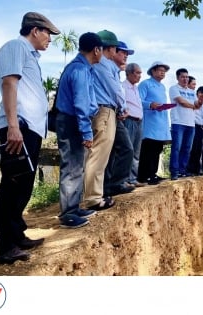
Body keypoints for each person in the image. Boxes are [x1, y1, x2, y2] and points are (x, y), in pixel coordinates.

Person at [0, 12, 60, 264]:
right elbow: (9, 83)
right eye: (47, 34)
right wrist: (12, 125)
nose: (49, 39)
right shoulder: (15, 47)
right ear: (34, 30)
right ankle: (5, 246)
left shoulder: (29, 54)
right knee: (13, 184)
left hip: (29, 128)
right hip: (18, 126)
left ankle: (17, 234)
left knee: (24, 184)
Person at [55, 32, 103, 229]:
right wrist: (86, 132)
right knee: (72, 166)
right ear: (96, 50)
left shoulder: (81, 68)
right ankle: (68, 213)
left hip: (71, 120)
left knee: (77, 165)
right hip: (72, 121)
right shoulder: (80, 70)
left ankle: (73, 207)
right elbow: (81, 104)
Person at [82, 30, 122, 211]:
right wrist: (124, 106)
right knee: (98, 154)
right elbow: (115, 89)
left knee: (98, 155)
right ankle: (93, 198)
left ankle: (94, 194)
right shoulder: (103, 65)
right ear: (110, 48)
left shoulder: (100, 64)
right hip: (104, 110)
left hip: (104, 109)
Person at [103, 40, 135, 196]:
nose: (126, 56)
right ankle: (113, 184)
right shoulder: (106, 68)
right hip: (108, 112)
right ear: (113, 51)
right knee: (121, 149)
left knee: (121, 149)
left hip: (116, 113)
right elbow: (114, 91)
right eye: (123, 52)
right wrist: (123, 108)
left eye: (127, 54)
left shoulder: (115, 71)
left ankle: (113, 183)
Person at [137, 61, 172, 185]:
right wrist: (150, 105)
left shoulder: (162, 87)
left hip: (161, 121)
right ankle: (143, 176)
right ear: (153, 71)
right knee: (148, 149)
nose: (163, 73)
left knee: (157, 149)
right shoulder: (145, 84)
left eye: (164, 71)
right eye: (160, 70)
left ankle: (153, 174)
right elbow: (138, 101)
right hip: (150, 121)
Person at [168, 68, 203, 180]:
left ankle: (182, 170)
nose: (185, 79)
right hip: (178, 122)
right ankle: (174, 171)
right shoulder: (174, 88)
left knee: (187, 148)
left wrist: (201, 101)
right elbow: (181, 102)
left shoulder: (192, 92)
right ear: (178, 77)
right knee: (176, 147)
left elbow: (197, 106)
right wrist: (194, 106)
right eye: (183, 77)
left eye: (187, 77)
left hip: (190, 124)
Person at [122, 62, 144, 187]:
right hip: (129, 121)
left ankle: (133, 179)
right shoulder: (123, 87)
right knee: (128, 151)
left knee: (136, 152)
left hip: (139, 121)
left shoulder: (136, 88)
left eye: (140, 73)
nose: (139, 76)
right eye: (137, 73)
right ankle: (124, 180)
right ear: (129, 73)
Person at [186, 85, 203, 176]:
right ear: (197, 93)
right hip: (193, 125)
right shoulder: (193, 100)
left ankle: (197, 169)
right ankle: (190, 169)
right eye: (201, 93)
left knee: (199, 148)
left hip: (200, 126)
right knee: (193, 148)